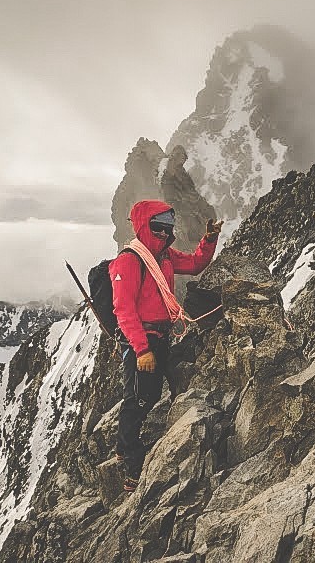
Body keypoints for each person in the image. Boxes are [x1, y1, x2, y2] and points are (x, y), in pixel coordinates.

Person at [109, 199, 222, 492]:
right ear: (146, 226)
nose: (164, 233)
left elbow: (196, 264)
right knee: (138, 400)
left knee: (147, 394)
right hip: (143, 341)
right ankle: (131, 465)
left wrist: (208, 241)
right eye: (159, 227)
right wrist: (140, 349)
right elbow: (123, 310)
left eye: (168, 227)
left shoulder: (164, 256)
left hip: (160, 337)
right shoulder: (129, 261)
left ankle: (125, 448)